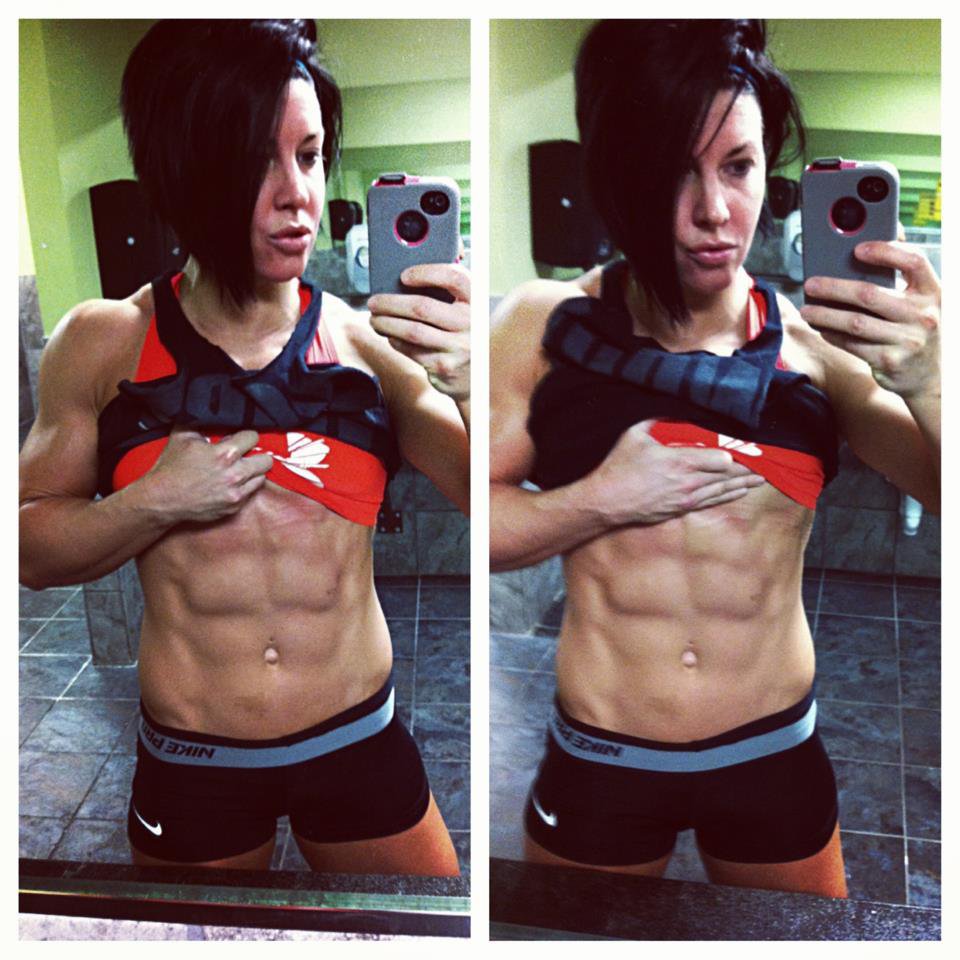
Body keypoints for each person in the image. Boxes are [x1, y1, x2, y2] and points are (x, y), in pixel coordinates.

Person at [490, 19, 939, 898]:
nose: (715, 212)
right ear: (620, 179)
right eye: (674, 173)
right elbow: (477, 519)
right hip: (603, 753)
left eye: (738, 167)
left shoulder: (817, 348)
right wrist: (602, 499)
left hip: (771, 752)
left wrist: (931, 379)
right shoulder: (544, 327)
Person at [19, 19, 469, 876]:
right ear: (187, 169)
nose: (298, 193)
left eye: (311, 155)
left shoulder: (368, 347)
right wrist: (151, 503)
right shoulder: (103, 343)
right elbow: (27, 548)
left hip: (355, 741)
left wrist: (477, 381)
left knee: (427, 932)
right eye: (261, 160)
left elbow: (497, 503)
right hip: (196, 760)